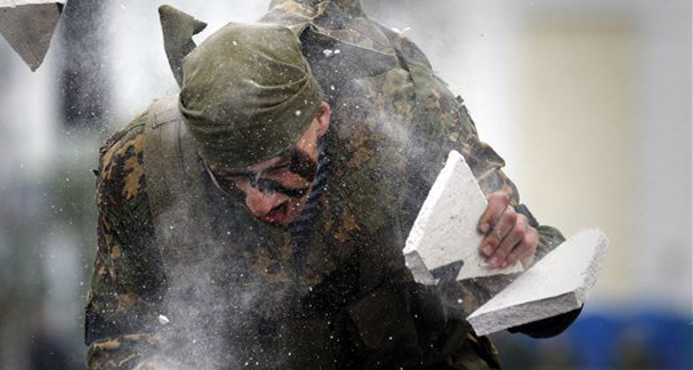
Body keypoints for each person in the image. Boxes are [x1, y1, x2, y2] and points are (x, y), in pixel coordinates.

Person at [85, 1, 580, 369]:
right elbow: (122, 334)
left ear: (320, 117)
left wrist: (512, 257)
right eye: (230, 179)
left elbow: (544, 304)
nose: (259, 200)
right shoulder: (142, 167)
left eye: (276, 167)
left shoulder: (403, 115)